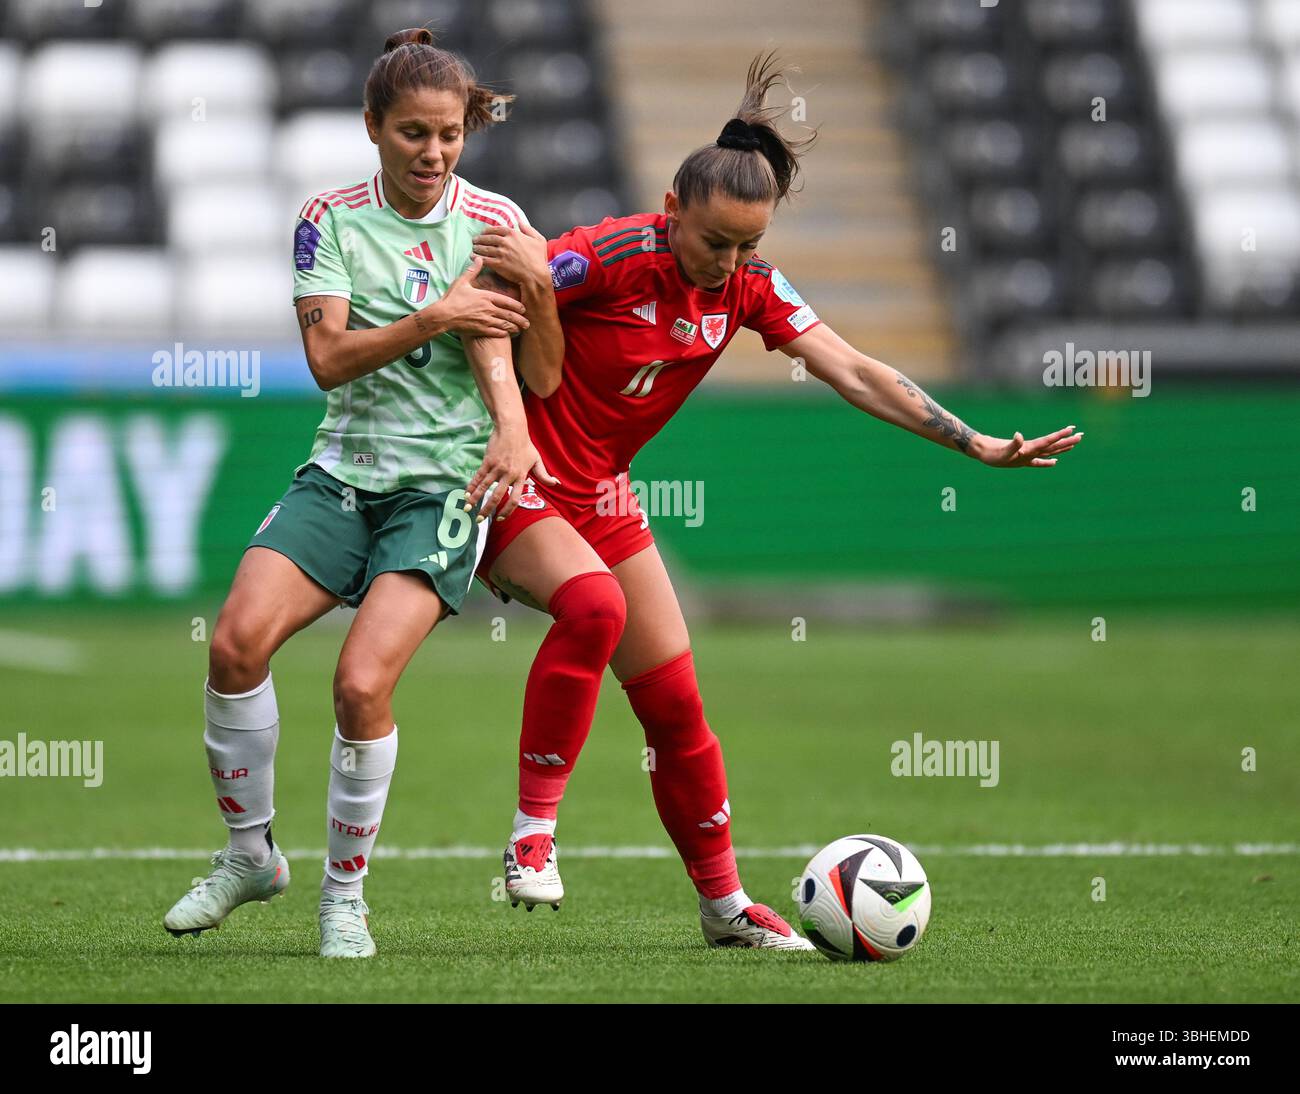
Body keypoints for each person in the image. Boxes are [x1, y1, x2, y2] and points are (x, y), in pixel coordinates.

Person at [469, 53, 1084, 948]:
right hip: (519, 483)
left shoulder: (751, 287)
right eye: (713, 242)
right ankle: (531, 838)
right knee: (595, 607)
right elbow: (486, 303)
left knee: (677, 706)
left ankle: (725, 909)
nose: (728, 264)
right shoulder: (603, 256)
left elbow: (856, 371)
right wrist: (501, 414)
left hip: (601, 495)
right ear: (672, 210)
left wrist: (975, 442)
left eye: (748, 246)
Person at [162, 28, 626, 958]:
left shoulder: (495, 220)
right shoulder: (327, 220)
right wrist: (434, 315)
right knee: (233, 643)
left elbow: (538, 377)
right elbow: (328, 361)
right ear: (373, 127)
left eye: (450, 134)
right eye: (414, 133)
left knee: (360, 683)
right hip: (341, 474)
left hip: (441, 490)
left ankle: (344, 900)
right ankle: (250, 855)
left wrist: (535, 292)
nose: (434, 153)